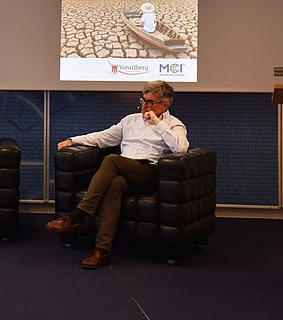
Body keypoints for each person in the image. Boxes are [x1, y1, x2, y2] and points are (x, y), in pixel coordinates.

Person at [45, 80, 189, 269]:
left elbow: (181, 148)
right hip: (124, 171)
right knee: (115, 184)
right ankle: (102, 251)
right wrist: (73, 140)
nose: (145, 105)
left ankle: (77, 216)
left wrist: (158, 124)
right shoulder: (130, 120)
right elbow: (104, 137)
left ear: (166, 104)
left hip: (148, 173)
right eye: (143, 100)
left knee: (113, 160)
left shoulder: (174, 125)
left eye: (150, 102)